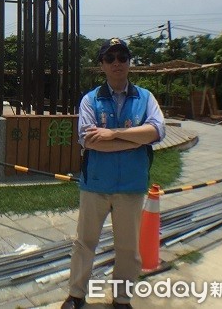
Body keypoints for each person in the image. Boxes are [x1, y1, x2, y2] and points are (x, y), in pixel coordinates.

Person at [62, 38, 165, 309]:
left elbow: (156, 131)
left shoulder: (145, 97)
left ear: (129, 62)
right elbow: (89, 140)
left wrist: (112, 134)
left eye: (122, 57)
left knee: (128, 248)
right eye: (110, 58)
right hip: (95, 184)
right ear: (102, 65)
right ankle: (76, 295)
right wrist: (135, 139)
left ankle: (121, 299)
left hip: (131, 185)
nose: (116, 63)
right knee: (84, 242)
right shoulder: (90, 100)